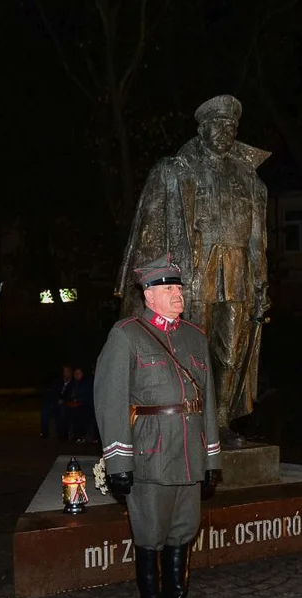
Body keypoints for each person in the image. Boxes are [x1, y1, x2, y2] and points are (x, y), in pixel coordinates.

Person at [116, 94, 270, 445]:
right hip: (193, 274)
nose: (224, 132)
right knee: (190, 349)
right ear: (202, 130)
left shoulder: (249, 180)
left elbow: (258, 240)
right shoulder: (176, 170)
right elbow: (151, 230)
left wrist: (262, 285)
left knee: (230, 353)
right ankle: (191, 419)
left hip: (237, 273)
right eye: (217, 126)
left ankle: (222, 423)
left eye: (230, 127)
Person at [95, 254, 222, 598]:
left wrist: (212, 458)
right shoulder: (127, 335)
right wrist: (119, 460)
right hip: (150, 453)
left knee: (183, 534)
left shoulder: (194, 337)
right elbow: (110, 400)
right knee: (150, 537)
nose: (177, 294)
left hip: (188, 453)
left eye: (179, 288)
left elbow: (209, 403)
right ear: (148, 294)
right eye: (168, 288)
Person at [40, 364, 74, 440]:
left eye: (67, 371)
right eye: (64, 371)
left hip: (65, 403)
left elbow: (71, 395)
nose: (65, 373)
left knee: (61, 411)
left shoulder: (73, 383)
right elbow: (53, 392)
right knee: (46, 410)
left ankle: (61, 434)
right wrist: (55, 399)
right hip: (55, 401)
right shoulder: (58, 381)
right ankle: (44, 433)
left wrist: (63, 400)